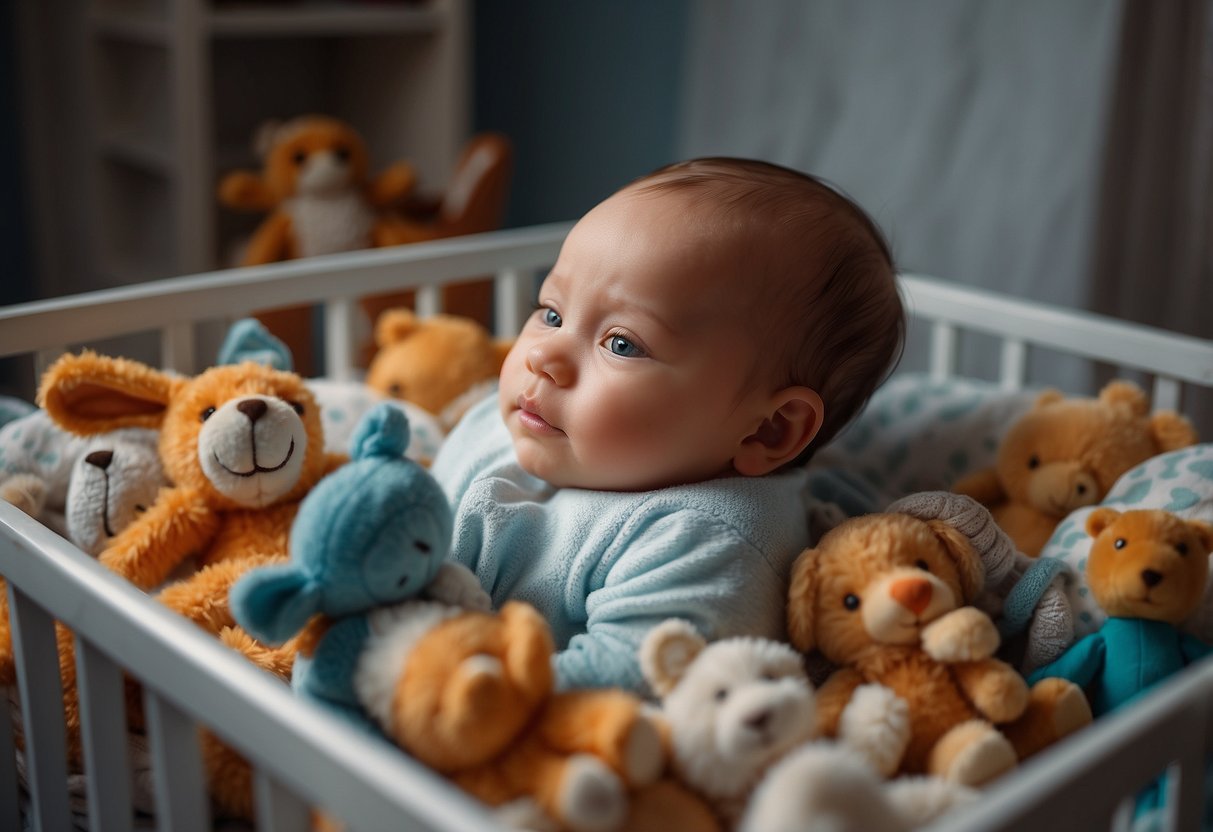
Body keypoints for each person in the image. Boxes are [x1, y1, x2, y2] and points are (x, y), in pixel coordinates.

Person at [430, 157, 905, 692]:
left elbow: (627, 683)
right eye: (552, 313)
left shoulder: (706, 539)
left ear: (768, 430)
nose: (543, 358)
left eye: (622, 343)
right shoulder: (518, 418)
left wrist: (448, 681)